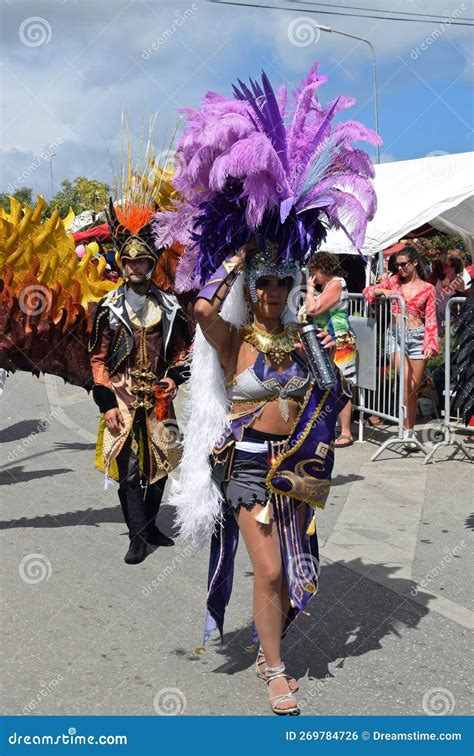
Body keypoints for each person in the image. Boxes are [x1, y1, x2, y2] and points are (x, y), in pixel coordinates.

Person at [162, 64, 379, 715]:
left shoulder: (304, 333)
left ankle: (269, 636)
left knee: (297, 568)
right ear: (250, 288)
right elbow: (196, 304)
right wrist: (236, 249)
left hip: (301, 460)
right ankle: (276, 669)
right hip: (248, 459)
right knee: (272, 568)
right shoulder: (233, 340)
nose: (275, 292)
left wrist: (340, 417)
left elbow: (338, 374)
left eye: (282, 283)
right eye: (265, 284)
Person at [88, 201, 190, 564]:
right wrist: (108, 403)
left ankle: (148, 525)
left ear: (151, 263)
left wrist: (175, 378)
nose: (135, 267)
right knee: (130, 470)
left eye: (142, 261)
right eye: (129, 262)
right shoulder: (108, 307)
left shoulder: (168, 305)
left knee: (163, 464)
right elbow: (97, 359)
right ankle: (136, 537)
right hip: (123, 399)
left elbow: (181, 351)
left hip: (159, 399)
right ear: (122, 264)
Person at [363, 246, 439, 448]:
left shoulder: (428, 288)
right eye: (397, 265)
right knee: (404, 379)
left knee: (413, 388)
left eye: (404, 264)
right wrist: (380, 289)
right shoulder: (393, 281)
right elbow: (367, 292)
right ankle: (403, 429)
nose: (400, 268)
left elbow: (431, 317)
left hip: (417, 336)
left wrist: (430, 343)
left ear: (414, 263)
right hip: (395, 335)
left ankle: (409, 431)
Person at [304, 251, 356, 447]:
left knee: (342, 384)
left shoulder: (336, 283)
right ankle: (332, 428)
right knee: (331, 383)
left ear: (321, 268)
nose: (312, 277)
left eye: (314, 271)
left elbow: (312, 309)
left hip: (340, 339)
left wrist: (309, 289)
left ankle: (345, 432)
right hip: (330, 339)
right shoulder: (329, 285)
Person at [435, 255, 466, 326]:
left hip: (449, 320)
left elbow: (448, 300)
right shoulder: (443, 280)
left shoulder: (459, 281)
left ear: (453, 269)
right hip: (439, 317)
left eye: (446, 265)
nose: (443, 267)